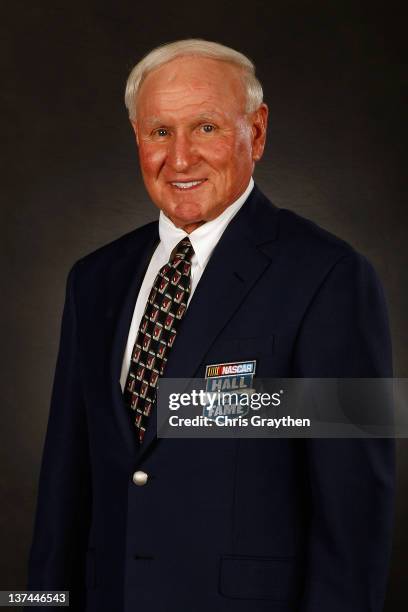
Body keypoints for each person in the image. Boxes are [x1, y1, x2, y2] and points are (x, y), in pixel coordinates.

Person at [27, 39, 395, 612]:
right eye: (159, 132)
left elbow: (356, 514)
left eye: (205, 128)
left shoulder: (335, 276)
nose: (179, 159)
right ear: (137, 139)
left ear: (258, 131)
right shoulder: (93, 279)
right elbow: (62, 489)